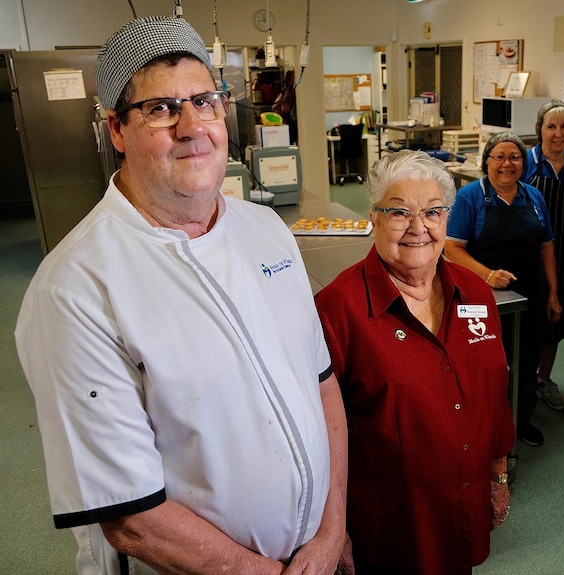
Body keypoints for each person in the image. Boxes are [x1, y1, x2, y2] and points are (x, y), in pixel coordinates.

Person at [14, 17, 347, 575]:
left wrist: (333, 531)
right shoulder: (74, 288)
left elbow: (322, 386)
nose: (193, 125)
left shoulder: (265, 229)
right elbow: (131, 517)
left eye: (205, 100)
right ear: (117, 130)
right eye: (161, 108)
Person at [315, 150, 514, 574]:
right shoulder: (338, 309)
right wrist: (332, 530)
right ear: (374, 217)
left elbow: (495, 394)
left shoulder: (476, 294)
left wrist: (497, 477)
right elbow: (318, 436)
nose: (418, 228)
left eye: (433, 212)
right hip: (388, 524)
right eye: (399, 212)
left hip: (460, 506)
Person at [446, 131, 561, 447]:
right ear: (487, 162)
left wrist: (552, 293)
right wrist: (487, 275)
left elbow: (547, 246)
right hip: (483, 298)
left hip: (531, 293)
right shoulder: (470, 196)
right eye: (499, 157)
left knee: (526, 357)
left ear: (523, 163)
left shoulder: (533, 196)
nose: (507, 164)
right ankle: (483, 425)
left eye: (515, 157)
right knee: (486, 362)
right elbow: (452, 248)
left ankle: (520, 420)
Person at [522, 99, 564, 411]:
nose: (558, 133)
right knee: (526, 322)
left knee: (556, 323)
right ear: (540, 130)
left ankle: (543, 380)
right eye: (551, 126)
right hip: (528, 256)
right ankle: (518, 382)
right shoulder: (526, 162)